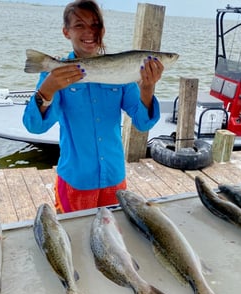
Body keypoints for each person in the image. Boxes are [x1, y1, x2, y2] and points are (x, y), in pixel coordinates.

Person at [23, 0, 164, 213]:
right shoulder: (54, 74)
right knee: (76, 238)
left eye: (95, 25)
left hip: (114, 177)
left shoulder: (120, 72)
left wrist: (147, 88)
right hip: (76, 180)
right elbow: (34, 127)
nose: (89, 32)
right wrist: (48, 89)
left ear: (103, 30)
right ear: (66, 32)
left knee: (113, 235)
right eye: (79, 25)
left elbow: (143, 123)